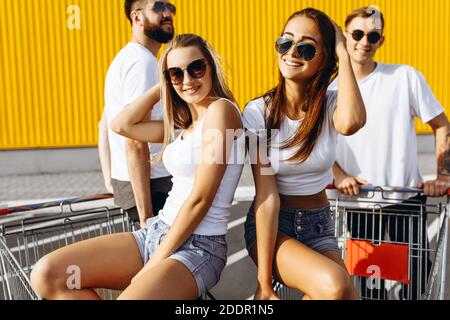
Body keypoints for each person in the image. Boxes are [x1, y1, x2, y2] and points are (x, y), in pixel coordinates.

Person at [30, 33, 245, 300]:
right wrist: (164, 85)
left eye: (196, 68)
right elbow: (122, 125)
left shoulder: (222, 111)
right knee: (48, 274)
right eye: (176, 74)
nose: (188, 80)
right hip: (156, 233)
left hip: (198, 247)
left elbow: (200, 199)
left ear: (210, 66)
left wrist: (154, 263)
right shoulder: (184, 124)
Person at [242, 8, 365, 300]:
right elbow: (266, 196)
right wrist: (263, 283)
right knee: (335, 286)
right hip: (275, 226)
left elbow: (350, 123)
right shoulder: (259, 112)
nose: (292, 52)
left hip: (318, 224)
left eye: (307, 47)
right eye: (285, 42)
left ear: (324, 59)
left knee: (346, 296)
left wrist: (344, 53)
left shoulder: (331, 105)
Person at [331, 7, 449, 299]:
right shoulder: (330, 88)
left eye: (373, 35)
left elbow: (441, 124)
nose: (364, 42)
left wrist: (443, 175)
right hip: (359, 204)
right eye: (357, 34)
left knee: (417, 282)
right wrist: (339, 174)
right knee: (370, 288)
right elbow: (318, 140)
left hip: (404, 201)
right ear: (345, 37)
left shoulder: (404, 77)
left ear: (381, 41)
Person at [98, 0, 176, 227]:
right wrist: (146, 216)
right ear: (137, 17)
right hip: (152, 186)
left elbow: (104, 125)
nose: (167, 13)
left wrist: (110, 178)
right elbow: (135, 140)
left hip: (137, 183)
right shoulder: (143, 63)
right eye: (158, 7)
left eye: (171, 7)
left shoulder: (125, 59)